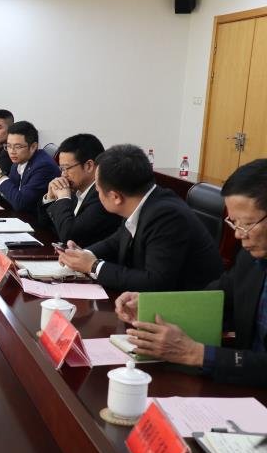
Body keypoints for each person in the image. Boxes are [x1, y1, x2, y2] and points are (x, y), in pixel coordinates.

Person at [114, 159, 267, 386]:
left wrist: (196, 354)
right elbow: (216, 298)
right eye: (234, 223)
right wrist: (151, 305)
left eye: (246, 224)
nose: (238, 234)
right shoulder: (251, 258)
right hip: (242, 385)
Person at [57, 144, 222, 292]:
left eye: (98, 190)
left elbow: (155, 282)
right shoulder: (142, 198)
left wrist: (93, 266)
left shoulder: (167, 216)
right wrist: (84, 254)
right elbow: (117, 240)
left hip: (187, 305)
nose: (98, 195)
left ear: (115, 197)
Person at [38, 134, 121, 247]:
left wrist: (63, 198)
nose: (63, 174)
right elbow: (44, 226)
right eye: (61, 169)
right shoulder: (76, 189)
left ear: (89, 166)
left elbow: (69, 236)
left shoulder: (102, 197)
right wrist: (50, 198)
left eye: (67, 168)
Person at [0, 120, 60, 213]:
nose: (12, 151)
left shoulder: (43, 166)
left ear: (33, 147)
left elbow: (21, 203)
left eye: (18, 147)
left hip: (34, 219)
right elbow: (9, 191)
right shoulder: (19, 160)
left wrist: (0, 176)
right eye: (8, 146)